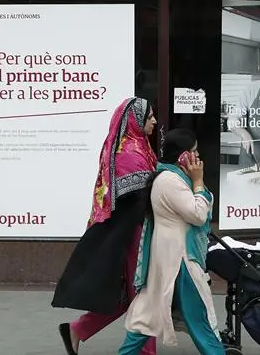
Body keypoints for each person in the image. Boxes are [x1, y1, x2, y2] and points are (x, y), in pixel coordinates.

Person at [52, 97, 159, 355]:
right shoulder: (129, 154)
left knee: (128, 295)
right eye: (150, 117)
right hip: (133, 235)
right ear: (136, 120)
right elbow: (142, 198)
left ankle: (78, 330)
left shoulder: (139, 147)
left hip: (135, 232)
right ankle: (145, 351)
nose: (155, 121)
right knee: (143, 292)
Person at [118, 128, 225, 355]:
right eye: (194, 151)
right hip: (181, 261)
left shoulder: (169, 177)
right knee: (201, 322)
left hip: (168, 260)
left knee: (147, 318)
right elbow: (198, 214)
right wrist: (198, 182)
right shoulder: (170, 181)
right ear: (183, 156)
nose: (199, 157)